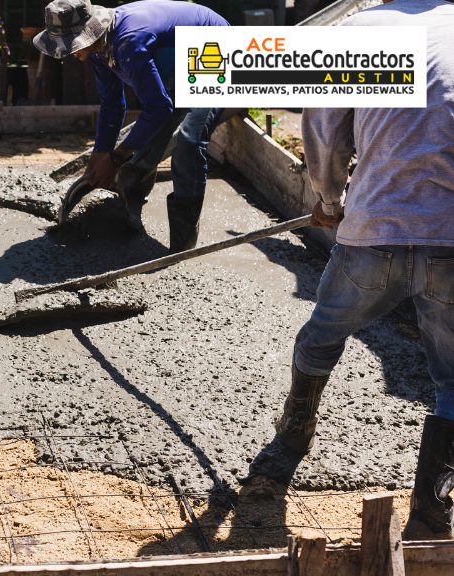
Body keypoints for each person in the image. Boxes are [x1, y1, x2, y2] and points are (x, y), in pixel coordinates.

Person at [269, 0, 454, 538]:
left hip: (374, 232)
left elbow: (324, 131)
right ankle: (431, 514)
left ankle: (294, 434)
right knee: (451, 380)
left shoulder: (364, 28)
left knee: (322, 335)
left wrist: (327, 197)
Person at [33, 0, 228, 252]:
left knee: (189, 143)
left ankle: (183, 245)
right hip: (179, 66)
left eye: (72, 45)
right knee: (143, 142)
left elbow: (158, 108)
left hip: (216, 55)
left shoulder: (129, 42)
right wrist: (99, 154)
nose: (72, 53)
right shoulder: (98, 49)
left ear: (91, 31)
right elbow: (112, 104)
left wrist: (115, 157)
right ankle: (127, 224)